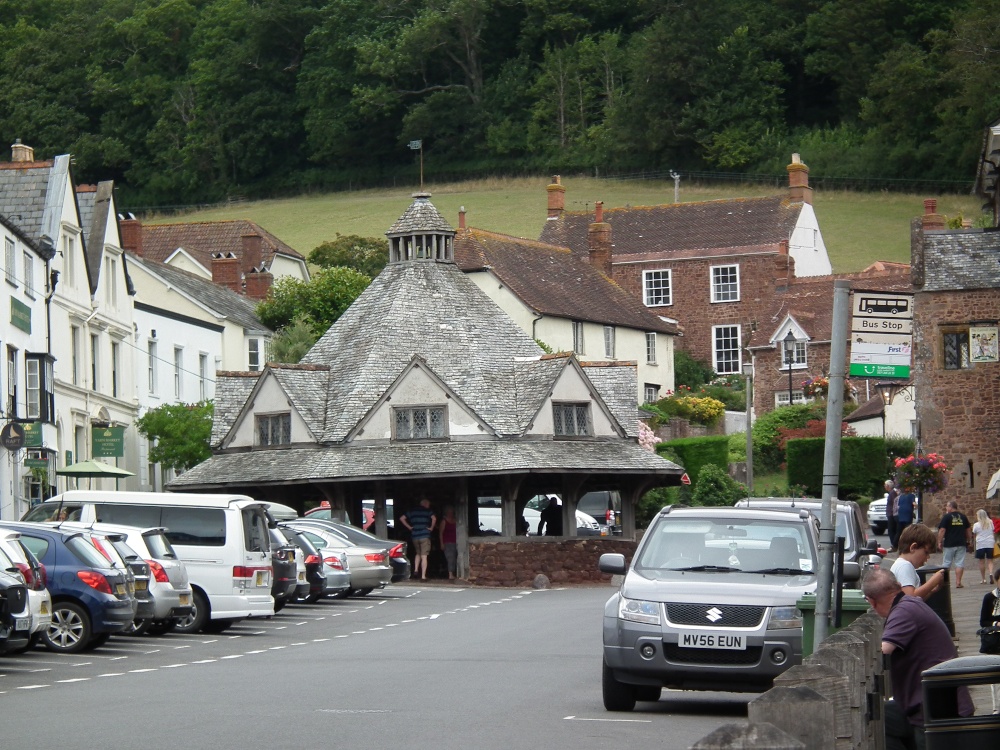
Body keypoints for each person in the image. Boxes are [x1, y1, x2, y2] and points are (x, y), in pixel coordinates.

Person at [862, 568, 974, 749]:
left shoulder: (903, 612)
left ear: (872, 601)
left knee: (875, 717)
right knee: (876, 717)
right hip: (932, 702)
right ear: (898, 586)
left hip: (937, 710)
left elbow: (882, 651)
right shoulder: (911, 603)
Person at [890, 524, 945, 600]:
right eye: (926, 552)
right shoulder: (905, 566)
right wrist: (932, 582)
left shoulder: (901, 564)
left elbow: (917, 599)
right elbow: (909, 598)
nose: (927, 558)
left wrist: (931, 591)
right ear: (913, 547)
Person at [937, 500, 972, 588]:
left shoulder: (947, 517)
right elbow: (968, 530)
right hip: (961, 543)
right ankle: (958, 582)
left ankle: (944, 582)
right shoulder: (963, 517)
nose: (946, 508)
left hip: (949, 543)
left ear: (951, 507)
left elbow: (942, 530)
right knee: (959, 563)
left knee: (946, 563)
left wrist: (939, 541)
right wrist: (969, 540)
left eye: (947, 506)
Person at [980, 561, 1000, 714]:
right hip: (995, 640)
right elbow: (983, 621)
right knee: (995, 676)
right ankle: (996, 707)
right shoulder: (989, 598)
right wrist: (995, 623)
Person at [401, 498, 436, 581]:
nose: (429, 506)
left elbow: (402, 518)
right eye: (429, 504)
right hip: (424, 535)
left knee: (418, 553)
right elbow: (434, 518)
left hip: (415, 536)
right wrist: (431, 527)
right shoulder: (428, 511)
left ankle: (416, 570)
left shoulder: (412, 511)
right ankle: (423, 576)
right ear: (426, 504)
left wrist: (409, 527)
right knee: (424, 556)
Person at [972, 508, 996, 585]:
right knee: (990, 560)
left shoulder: (976, 525)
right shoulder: (990, 522)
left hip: (980, 544)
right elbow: (993, 531)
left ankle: (983, 579)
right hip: (990, 543)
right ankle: (991, 573)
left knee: (981, 561)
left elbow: (974, 534)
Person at [439, 506, 458, 580]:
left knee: (456, 558)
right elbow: (440, 533)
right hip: (447, 542)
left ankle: (454, 573)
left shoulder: (455, 520)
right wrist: (442, 543)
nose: (450, 513)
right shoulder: (444, 521)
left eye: (451, 512)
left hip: (455, 542)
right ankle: (450, 574)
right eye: (449, 512)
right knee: (450, 558)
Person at [885, 480, 900, 551]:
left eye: (885, 485)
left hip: (892, 514)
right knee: (892, 530)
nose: (885, 487)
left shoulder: (892, 493)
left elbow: (894, 503)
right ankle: (894, 545)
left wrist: (893, 513)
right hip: (891, 513)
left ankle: (894, 545)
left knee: (891, 530)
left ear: (888, 486)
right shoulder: (892, 493)